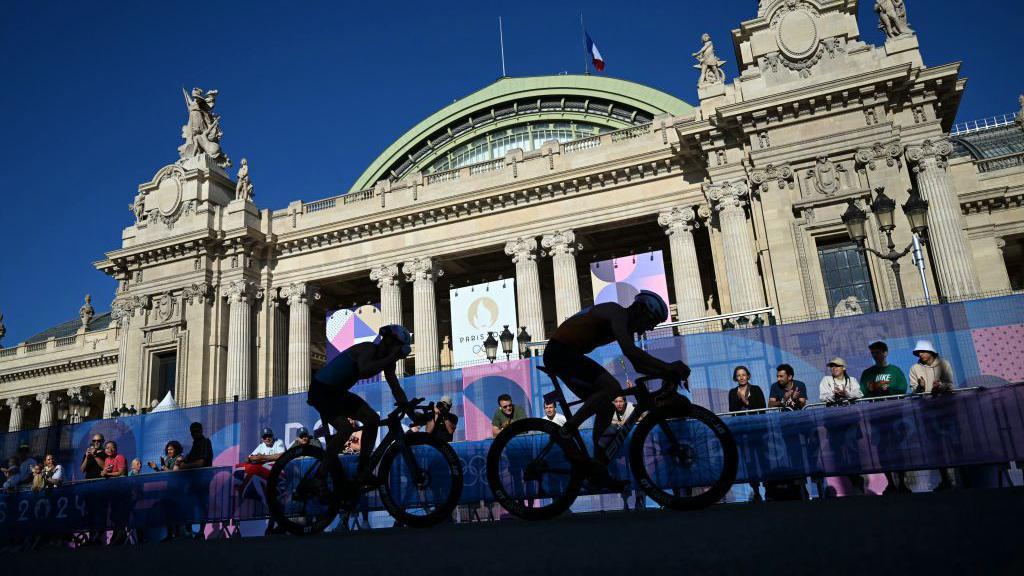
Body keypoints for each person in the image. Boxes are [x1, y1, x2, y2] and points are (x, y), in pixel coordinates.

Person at [542, 290, 689, 487]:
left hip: (565, 353)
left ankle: (597, 466)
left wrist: (666, 372)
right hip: (560, 351)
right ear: (640, 310)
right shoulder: (617, 312)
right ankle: (568, 429)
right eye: (652, 321)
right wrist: (669, 367)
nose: (651, 328)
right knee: (612, 388)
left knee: (606, 405)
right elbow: (631, 352)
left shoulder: (625, 325)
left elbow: (638, 365)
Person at [308, 324, 414, 486]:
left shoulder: (387, 362)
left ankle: (363, 470)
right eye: (398, 347)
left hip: (337, 393)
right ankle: (319, 478)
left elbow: (395, 387)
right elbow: (364, 370)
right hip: (321, 390)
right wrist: (391, 358)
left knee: (372, 419)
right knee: (345, 429)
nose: (398, 352)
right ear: (388, 342)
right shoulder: (368, 349)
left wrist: (412, 414)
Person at [859, 341, 910, 494]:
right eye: (873, 353)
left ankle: (902, 482)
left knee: (898, 448)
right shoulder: (867, 373)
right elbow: (863, 392)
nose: (875, 355)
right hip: (876, 418)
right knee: (882, 449)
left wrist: (890, 388)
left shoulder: (895, 371)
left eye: (878, 352)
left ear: (885, 353)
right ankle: (890, 483)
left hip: (895, 416)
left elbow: (902, 389)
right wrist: (873, 388)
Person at [909, 340, 958, 491]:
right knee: (936, 446)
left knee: (954, 442)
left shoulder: (944, 364)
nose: (920, 354)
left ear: (930, 352)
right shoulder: (915, 368)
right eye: (919, 352)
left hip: (947, 410)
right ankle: (945, 479)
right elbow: (913, 391)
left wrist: (941, 386)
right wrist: (920, 387)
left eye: (923, 351)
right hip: (928, 411)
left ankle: (961, 477)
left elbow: (950, 384)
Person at [728, 365, 767, 501]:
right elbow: (732, 410)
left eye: (743, 374)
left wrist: (745, 401)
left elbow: (761, 408)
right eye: (738, 375)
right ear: (735, 378)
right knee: (749, 461)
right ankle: (755, 490)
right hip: (742, 432)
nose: (741, 377)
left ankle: (768, 488)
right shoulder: (733, 392)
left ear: (748, 376)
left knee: (763, 459)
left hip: (757, 430)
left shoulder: (755, 389)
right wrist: (739, 400)